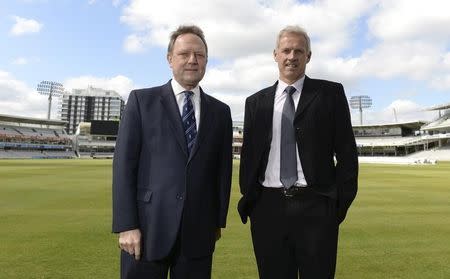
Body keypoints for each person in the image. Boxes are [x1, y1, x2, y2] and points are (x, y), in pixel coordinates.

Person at [238, 25, 358, 279]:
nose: (292, 56)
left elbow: (347, 154)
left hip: (316, 207)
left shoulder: (330, 94)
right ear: (275, 54)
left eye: (299, 51)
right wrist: (253, 201)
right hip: (267, 209)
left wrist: (336, 204)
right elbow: (249, 158)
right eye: (286, 50)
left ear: (308, 56)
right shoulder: (255, 102)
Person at [112, 25, 232, 279]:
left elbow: (222, 171)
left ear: (206, 61)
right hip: (145, 230)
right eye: (184, 54)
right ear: (169, 59)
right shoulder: (141, 101)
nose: (192, 60)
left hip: (198, 233)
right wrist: (126, 225)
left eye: (199, 55)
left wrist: (217, 221)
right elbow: (124, 167)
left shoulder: (221, 112)